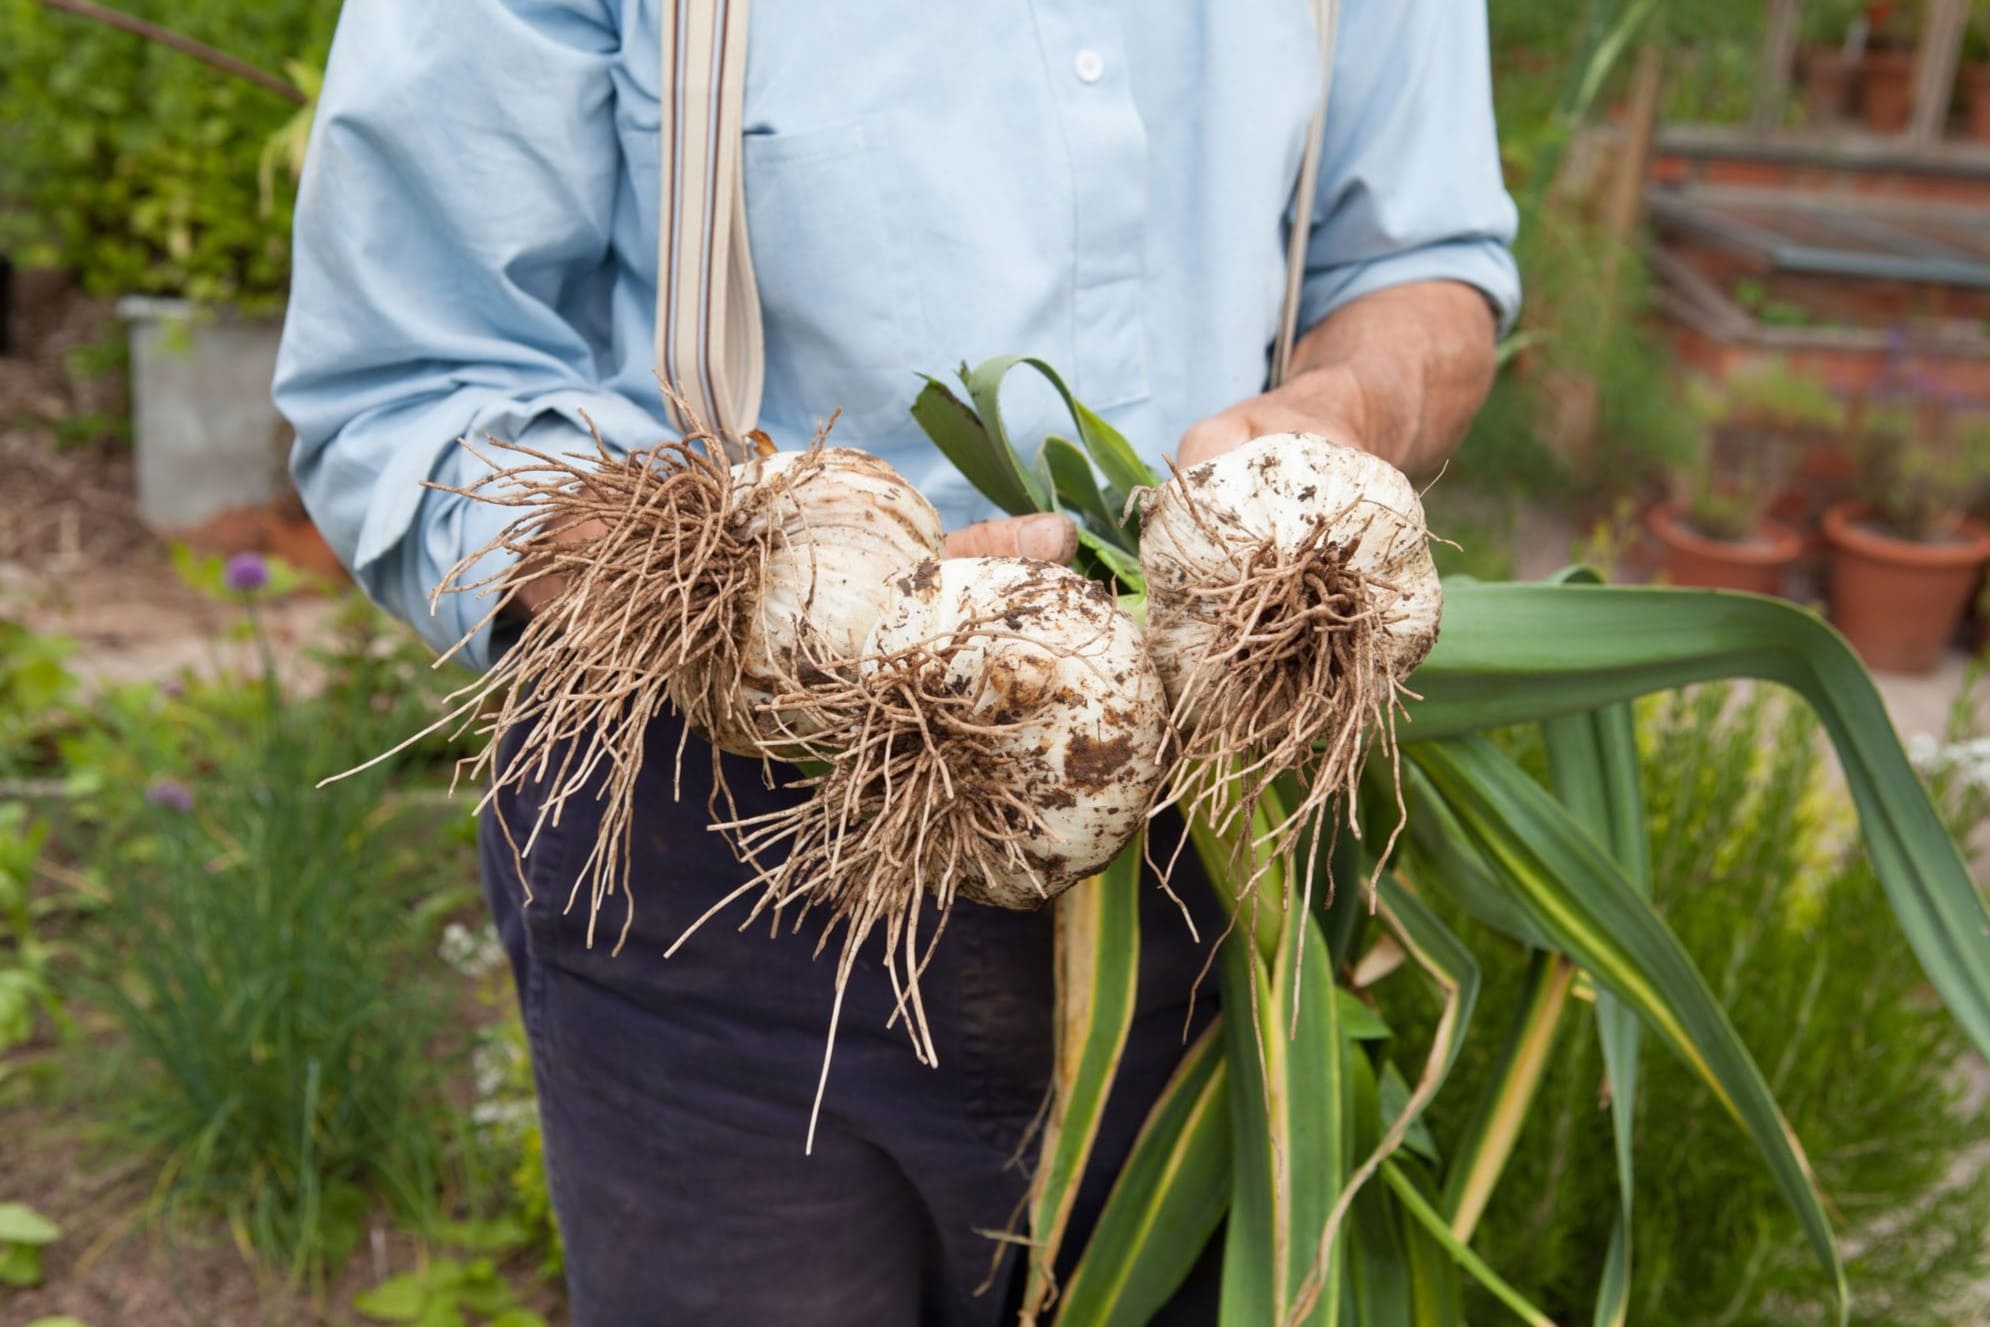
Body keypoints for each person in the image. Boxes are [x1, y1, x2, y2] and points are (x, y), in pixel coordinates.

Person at [274, 2, 1519, 1322]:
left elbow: (1423, 264)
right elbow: (412, 378)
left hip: (1222, 837)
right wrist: (774, 601)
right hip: (725, 855)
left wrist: (1336, 423)